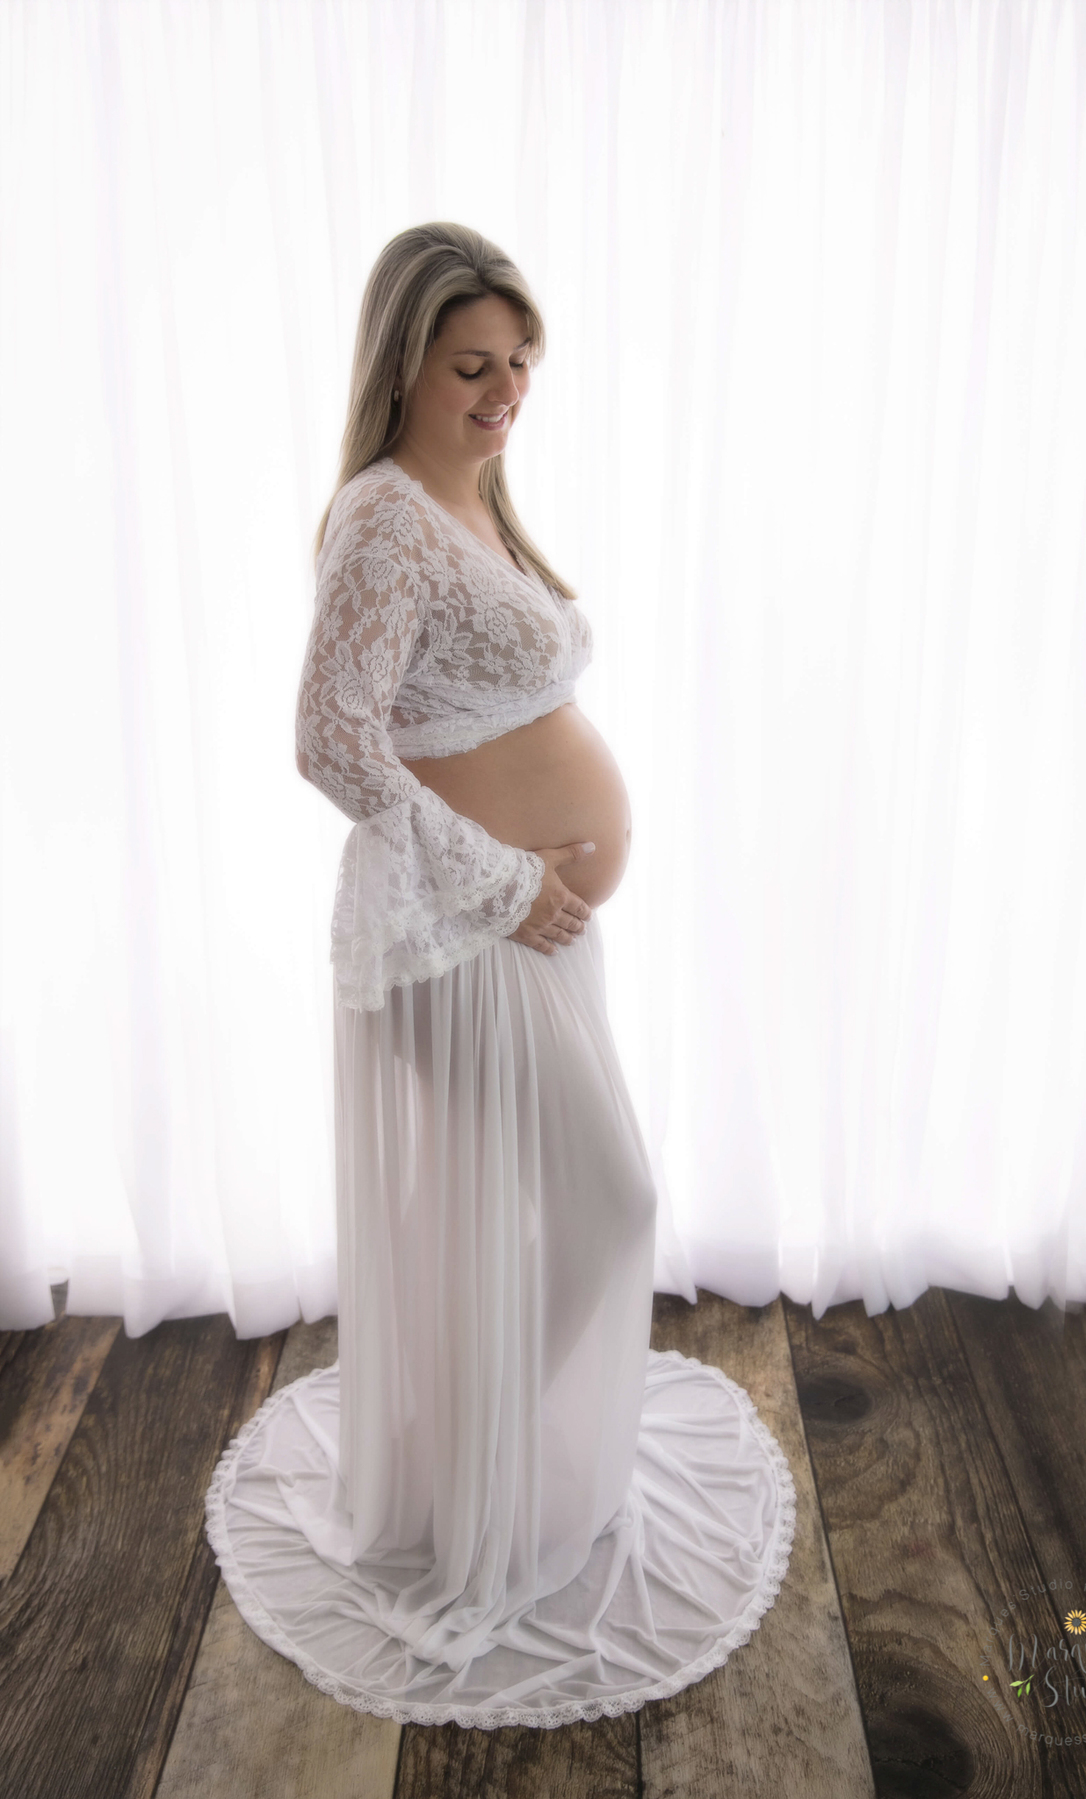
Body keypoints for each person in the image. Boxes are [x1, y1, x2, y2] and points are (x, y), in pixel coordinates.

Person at [204, 223, 795, 1729]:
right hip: (460, 937)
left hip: (529, 927)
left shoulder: (477, 502)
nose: (505, 390)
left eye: (521, 363)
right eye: (474, 364)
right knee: (606, 1208)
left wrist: (551, 882)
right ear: (404, 360)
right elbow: (329, 742)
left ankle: (503, 1469)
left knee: (544, 1223)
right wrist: (510, 878)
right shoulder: (387, 518)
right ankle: (479, 1486)